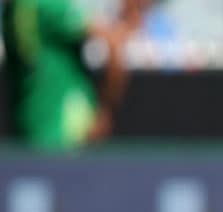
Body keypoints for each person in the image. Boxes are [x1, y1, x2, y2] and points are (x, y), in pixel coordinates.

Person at [1, 0, 139, 151]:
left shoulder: (47, 5)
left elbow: (111, 42)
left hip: (67, 131)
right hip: (30, 126)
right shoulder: (16, 8)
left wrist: (104, 109)